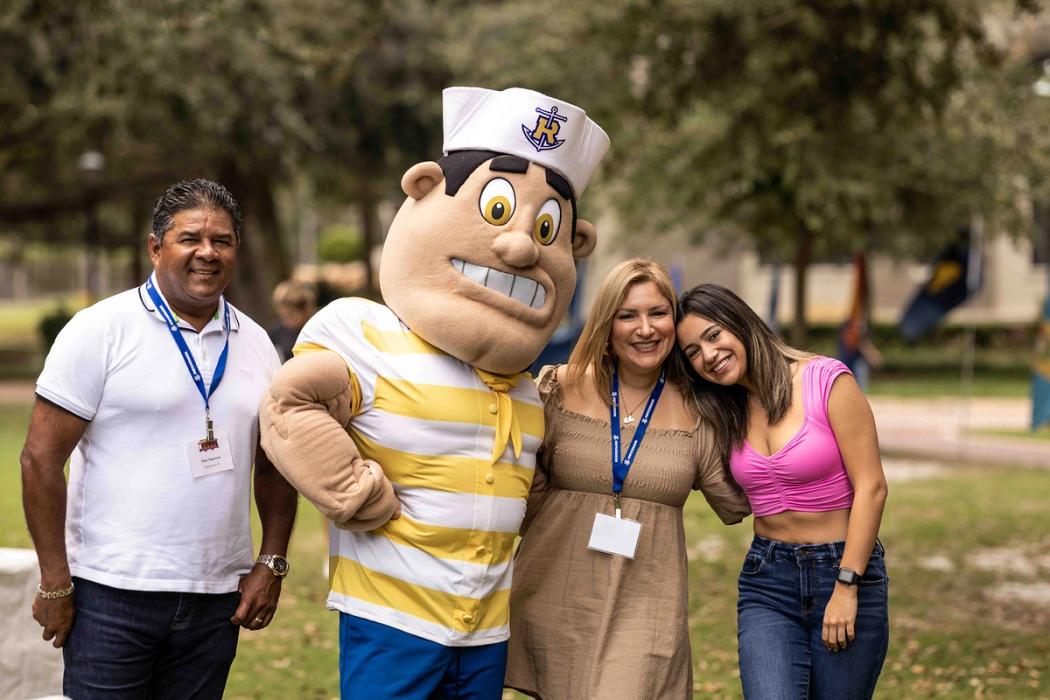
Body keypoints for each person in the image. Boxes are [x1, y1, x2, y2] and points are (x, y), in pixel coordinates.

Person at [258, 86, 610, 699]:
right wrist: (350, 488)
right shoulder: (365, 334)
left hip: (486, 627)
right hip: (394, 617)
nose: (523, 246)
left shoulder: (526, 392)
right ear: (421, 190)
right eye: (498, 210)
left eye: (548, 227)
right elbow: (290, 403)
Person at [20, 178, 299, 699]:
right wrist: (55, 580)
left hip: (217, 599)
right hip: (111, 596)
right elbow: (40, 459)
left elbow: (276, 462)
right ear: (155, 247)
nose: (207, 253)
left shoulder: (258, 343)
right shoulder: (100, 330)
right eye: (190, 238)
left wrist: (272, 560)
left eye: (222, 241)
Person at [505, 259, 751, 700]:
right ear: (606, 323)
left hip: (647, 605)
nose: (645, 328)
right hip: (556, 593)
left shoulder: (699, 411)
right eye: (628, 315)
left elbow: (736, 503)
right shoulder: (558, 388)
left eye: (658, 313)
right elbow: (521, 481)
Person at [676, 283, 889, 700]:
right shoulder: (723, 409)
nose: (708, 355)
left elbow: (873, 487)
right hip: (768, 580)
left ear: (740, 322)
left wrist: (847, 586)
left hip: (844, 569)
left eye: (714, 335)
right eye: (693, 352)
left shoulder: (825, 379)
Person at [269, 279, 318, 362]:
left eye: (291, 315)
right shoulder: (278, 332)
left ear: (305, 310)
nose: (286, 321)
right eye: (282, 316)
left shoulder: (317, 328)